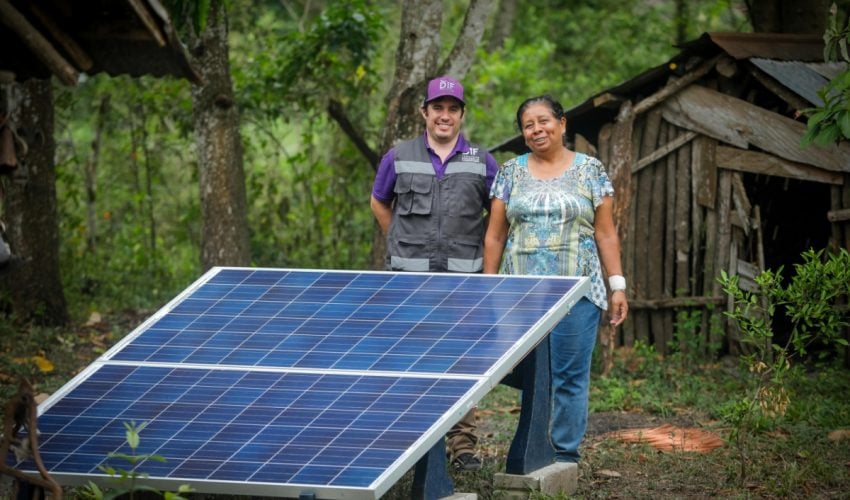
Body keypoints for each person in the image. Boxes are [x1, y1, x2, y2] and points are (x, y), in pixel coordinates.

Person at [483, 95, 629, 463]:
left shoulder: (590, 170)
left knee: (569, 374)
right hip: (520, 293)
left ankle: (564, 453)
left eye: (544, 121)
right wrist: (488, 288)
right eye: (528, 125)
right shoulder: (509, 172)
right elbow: (495, 236)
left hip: (578, 290)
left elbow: (606, 233)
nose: (537, 129)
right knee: (527, 374)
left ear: (562, 123)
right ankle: (532, 450)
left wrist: (618, 285)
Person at [370, 75, 500, 471]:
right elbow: (379, 202)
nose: (445, 116)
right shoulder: (398, 155)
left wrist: (489, 273)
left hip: (464, 284)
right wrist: (400, 243)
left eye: (453, 109)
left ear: (461, 115)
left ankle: (462, 446)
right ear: (424, 112)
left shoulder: (483, 161)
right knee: (408, 362)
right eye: (437, 108)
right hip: (410, 284)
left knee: (461, 364)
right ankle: (407, 445)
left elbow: (498, 215)